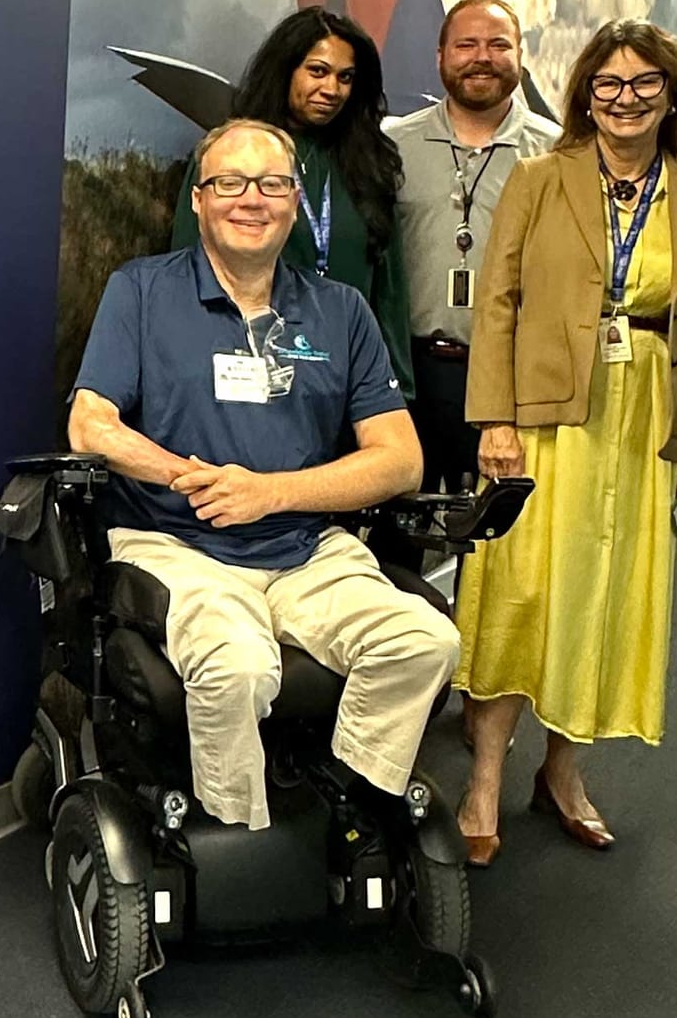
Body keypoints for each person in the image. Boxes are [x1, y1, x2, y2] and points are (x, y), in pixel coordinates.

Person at [72, 117, 458, 829]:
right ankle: (235, 831)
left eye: (272, 184)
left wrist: (270, 493)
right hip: (177, 546)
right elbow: (91, 424)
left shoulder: (339, 310)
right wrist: (198, 480)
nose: (251, 199)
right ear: (199, 197)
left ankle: (345, 800)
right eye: (230, 183)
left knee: (426, 641)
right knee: (238, 667)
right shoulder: (143, 292)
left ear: (294, 198)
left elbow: (401, 459)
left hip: (305, 549)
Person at [453, 19, 677, 865]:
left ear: (672, 95)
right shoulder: (541, 181)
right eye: (608, 84)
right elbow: (496, 303)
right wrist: (494, 421)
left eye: (644, 83)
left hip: (643, 423)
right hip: (543, 422)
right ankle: (483, 784)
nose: (625, 99)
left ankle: (563, 775)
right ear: (585, 96)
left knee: (608, 598)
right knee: (522, 594)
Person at [173, 8, 417, 397]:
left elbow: (388, 290)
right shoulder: (232, 152)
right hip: (248, 372)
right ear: (286, 70)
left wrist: (399, 389)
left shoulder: (369, 164)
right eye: (317, 71)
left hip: (349, 374)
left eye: (345, 77)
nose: (332, 89)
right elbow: (189, 267)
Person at [383, 0, 560, 498]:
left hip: (510, 381)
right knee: (397, 540)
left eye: (498, 45)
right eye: (466, 44)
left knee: (497, 552)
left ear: (520, 58)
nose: (482, 57)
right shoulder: (394, 146)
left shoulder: (556, 154)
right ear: (440, 56)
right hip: (410, 378)